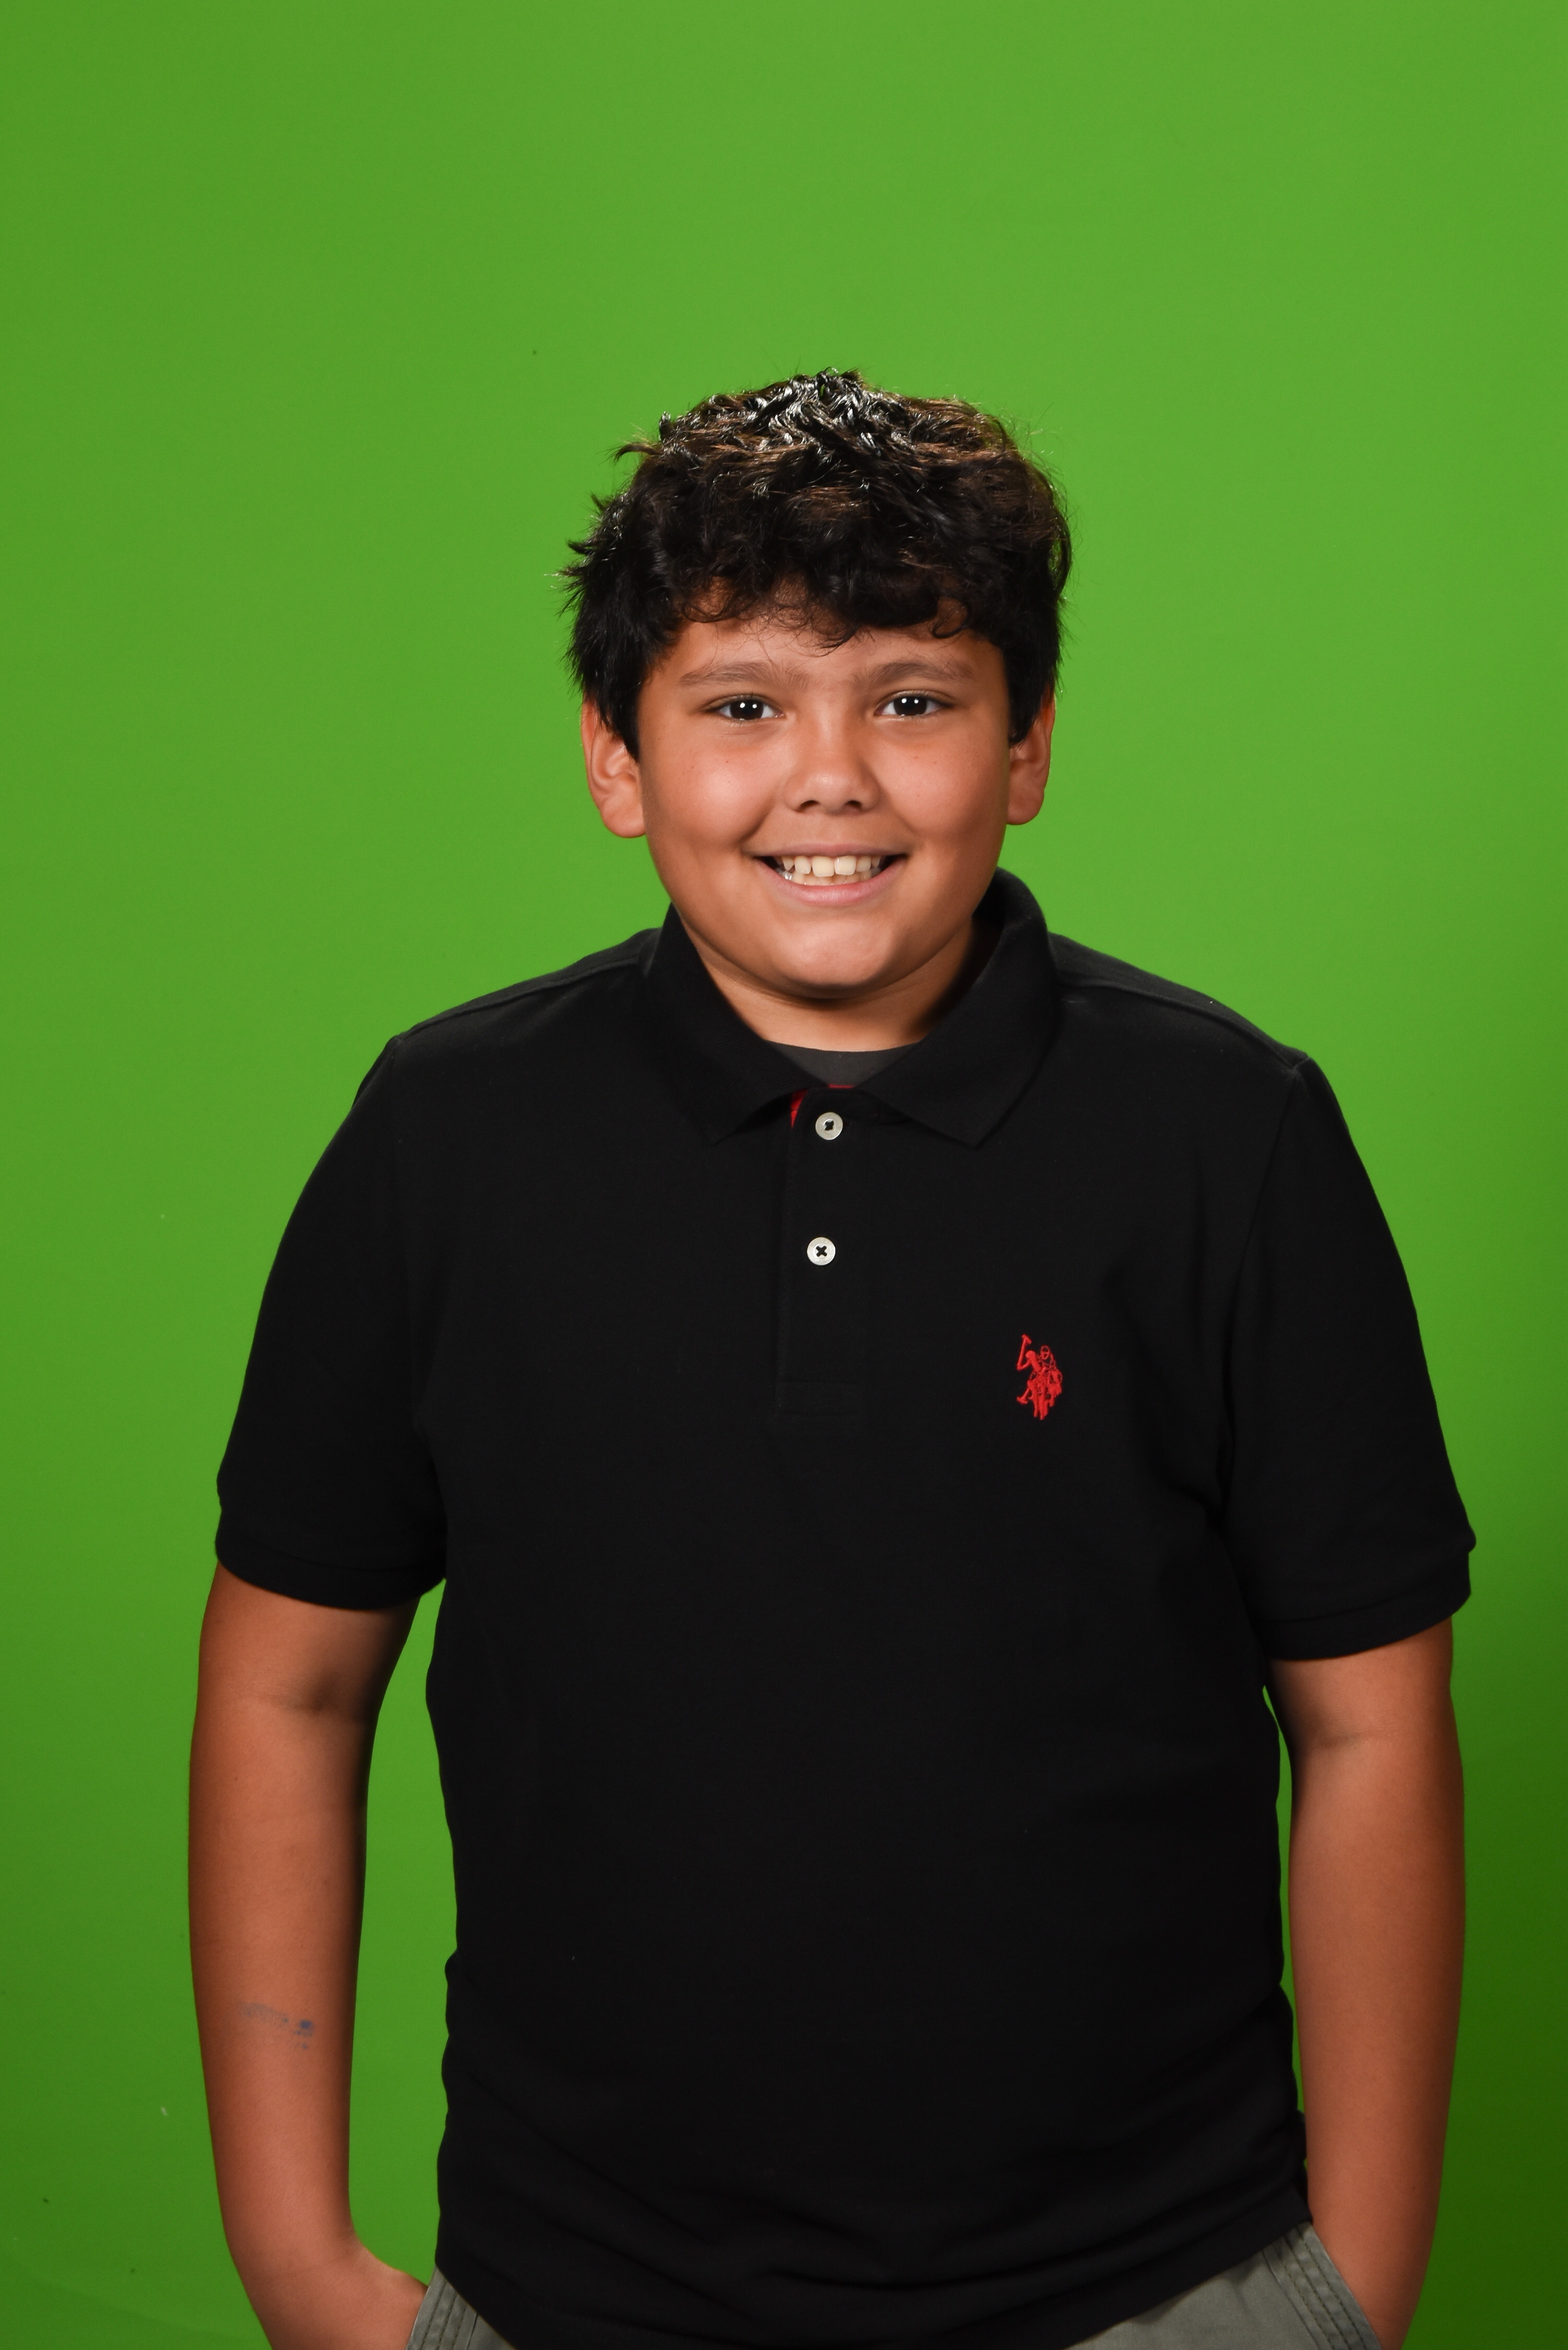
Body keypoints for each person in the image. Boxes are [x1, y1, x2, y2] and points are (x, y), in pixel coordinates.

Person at [191, 372, 1470, 2350]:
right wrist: (295, 2259)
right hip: (574, 2295)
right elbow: (288, 1686)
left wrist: (1347, 2291)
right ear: (616, 757)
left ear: (1026, 748)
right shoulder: (449, 1140)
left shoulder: (1229, 1137)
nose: (831, 778)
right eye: (741, 706)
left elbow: (1373, 1725)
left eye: (913, 699)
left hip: (1158, 2286)